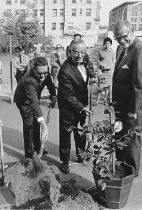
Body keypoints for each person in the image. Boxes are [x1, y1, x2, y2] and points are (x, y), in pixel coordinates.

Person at [57, 39, 93, 174]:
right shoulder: (65, 70)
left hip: (82, 103)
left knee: (82, 130)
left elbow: (89, 69)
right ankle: (65, 161)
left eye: (82, 52)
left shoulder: (85, 58)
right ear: (70, 52)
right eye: (75, 52)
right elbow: (68, 96)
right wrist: (82, 107)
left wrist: (94, 75)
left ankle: (80, 154)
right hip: (68, 106)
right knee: (66, 133)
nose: (79, 56)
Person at [112, 20, 142, 177]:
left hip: (131, 108)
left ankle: (131, 174)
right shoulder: (120, 48)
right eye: (117, 38)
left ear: (133, 30)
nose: (121, 41)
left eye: (124, 37)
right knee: (120, 137)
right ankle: (122, 167)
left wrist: (134, 112)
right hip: (119, 106)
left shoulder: (139, 49)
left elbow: (139, 86)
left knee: (131, 138)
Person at [14, 57, 56, 158]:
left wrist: (53, 96)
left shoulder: (45, 72)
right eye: (39, 73)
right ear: (33, 69)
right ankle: (29, 155)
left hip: (34, 99)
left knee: (37, 122)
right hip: (24, 101)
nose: (43, 76)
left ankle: (37, 147)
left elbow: (50, 85)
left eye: (45, 73)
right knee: (29, 125)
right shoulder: (29, 80)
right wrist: (44, 126)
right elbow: (34, 103)